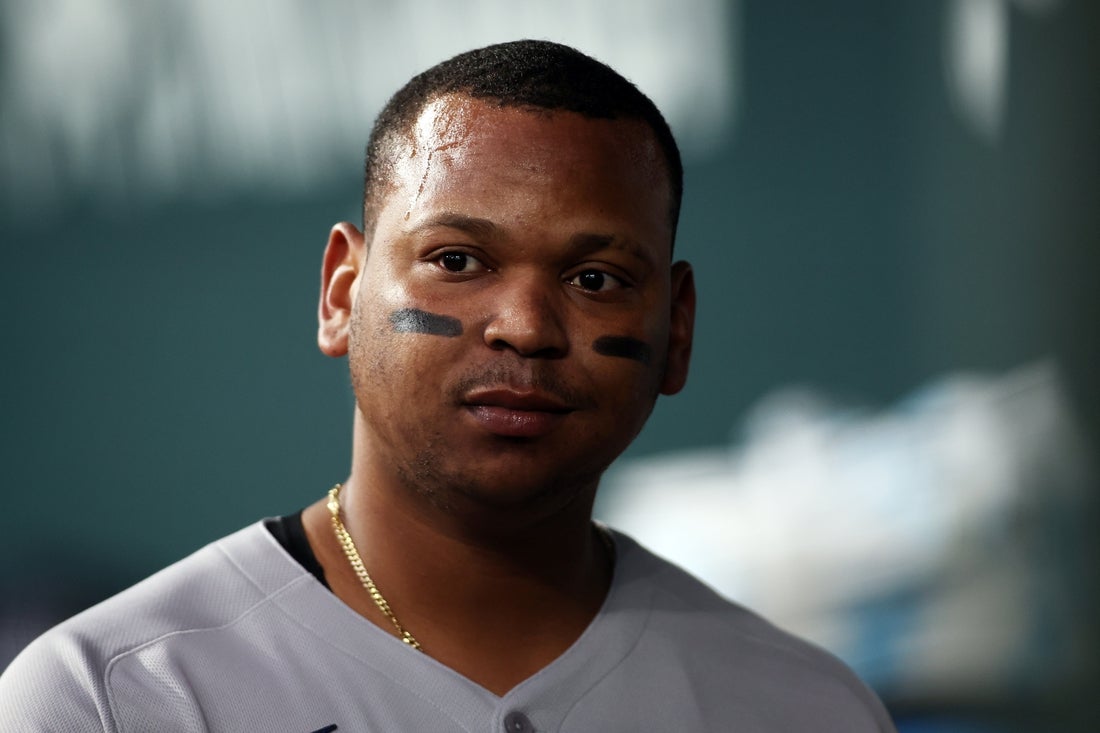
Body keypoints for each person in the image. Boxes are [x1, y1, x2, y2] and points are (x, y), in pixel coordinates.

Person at [0, 40, 896, 731]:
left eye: (595, 279)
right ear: (342, 294)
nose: (527, 327)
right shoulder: (113, 695)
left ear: (679, 329)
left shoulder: (806, 708)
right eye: (457, 260)